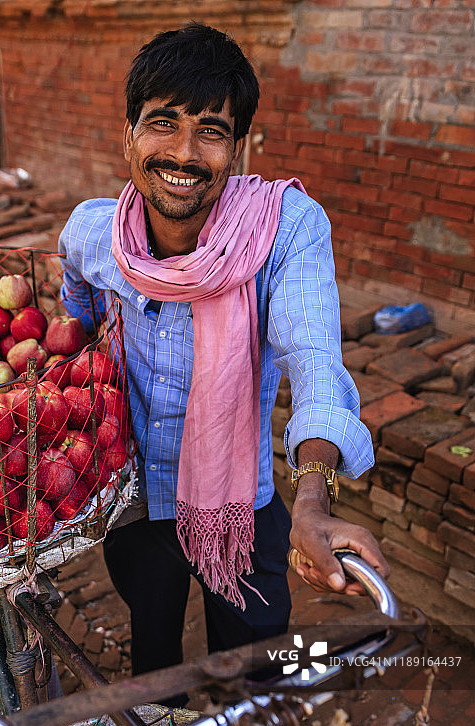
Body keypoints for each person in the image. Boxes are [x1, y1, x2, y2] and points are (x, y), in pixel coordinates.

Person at [58, 23, 389, 686]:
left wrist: (313, 502)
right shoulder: (93, 232)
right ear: (129, 136)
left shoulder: (283, 228)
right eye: (163, 123)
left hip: (240, 499)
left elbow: (314, 356)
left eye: (210, 130)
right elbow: (78, 319)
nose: (184, 154)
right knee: (153, 648)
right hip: (136, 497)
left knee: (257, 672)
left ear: (238, 148)